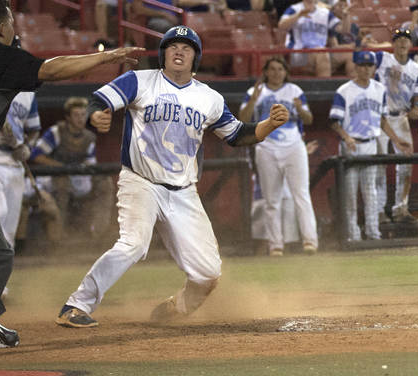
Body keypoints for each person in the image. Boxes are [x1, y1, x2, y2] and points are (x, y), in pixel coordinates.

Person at [55, 25, 290, 329]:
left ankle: (173, 310)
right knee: (133, 245)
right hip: (140, 181)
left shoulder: (209, 98)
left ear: (196, 58)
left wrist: (269, 124)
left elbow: (236, 135)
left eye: (187, 48)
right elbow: (98, 100)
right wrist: (95, 115)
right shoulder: (140, 81)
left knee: (208, 273)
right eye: (173, 46)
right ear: (163, 54)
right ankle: (76, 305)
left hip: (183, 191)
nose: (179, 51)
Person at [0, 0, 141, 348]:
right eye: (11, 22)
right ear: (1, 27)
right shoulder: (0, 56)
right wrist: (107, 56)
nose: (15, 28)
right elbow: (53, 70)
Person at [238, 57, 318, 256]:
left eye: (280, 69)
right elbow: (242, 119)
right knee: (271, 200)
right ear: (265, 72)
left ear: (285, 72)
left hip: (293, 145)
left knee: (301, 195)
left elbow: (309, 119)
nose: (276, 73)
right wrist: (254, 100)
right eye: (272, 69)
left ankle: (310, 241)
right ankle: (276, 245)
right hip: (266, 147)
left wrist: (299, 108)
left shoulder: (294, 91)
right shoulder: (254, 92)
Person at [330, 51, 412, 241]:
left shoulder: (379, 89)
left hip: (371, 145)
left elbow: (382, 120)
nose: (366, 69)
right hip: (350, 147)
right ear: (355, 67)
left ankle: (373, 234)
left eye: (369, 66)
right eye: (362, 65)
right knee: (350, 196)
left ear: (374, 68)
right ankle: (353, 236)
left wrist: (396, 141)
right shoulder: (344, 91)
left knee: (371, 193)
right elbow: (334, 121)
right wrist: (346, 137)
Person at [29, 97, 116, 245]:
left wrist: (77, 169)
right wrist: (60, 167)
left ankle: (99, 232)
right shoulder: (56, 132)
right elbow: (36, 155)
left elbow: (90, 164)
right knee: (62, 182)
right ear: (68, 117)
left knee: (105, 182)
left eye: (83, 115)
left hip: (77, 177)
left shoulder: (89, 137)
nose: (80, 119)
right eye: (76, 115)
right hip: (51, 178)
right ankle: (58, 237)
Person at [374, 28, 418, 223]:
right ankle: (378, 211)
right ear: (393, 43)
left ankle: (401, 209)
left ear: (411, 44)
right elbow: (360, 57)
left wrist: (417, 108)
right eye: (399, 39)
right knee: (378, 165)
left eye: (406, 39)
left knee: (406, 164)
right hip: (380, 117)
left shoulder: (416, 69)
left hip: (401, 117)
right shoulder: (382, 58)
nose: (403, 43)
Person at [0, 89, 39, 251]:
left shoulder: (29, 93)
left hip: (15, 161)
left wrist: (27, 147)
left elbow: (34, 129)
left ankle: (1, 272)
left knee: (9, 230)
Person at [277, 0, 338, 78]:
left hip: (320, 51)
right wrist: (298, 15)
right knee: (322, 54)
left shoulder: (325, 12)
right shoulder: (294, 9)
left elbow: (342, 29)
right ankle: (323, 92)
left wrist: (346, 17)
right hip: (297, 53)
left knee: (351, 56)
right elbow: (281, 26)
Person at [328, 0, 360, 76]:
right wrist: (350, 47)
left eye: (345, 6)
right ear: (333, 9)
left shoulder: (354, 27)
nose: (343, 8)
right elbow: (334, 47)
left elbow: (359, 44)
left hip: (351, 52)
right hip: (335, 55)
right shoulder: (332, 23)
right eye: (339, 5)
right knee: (351, 55)